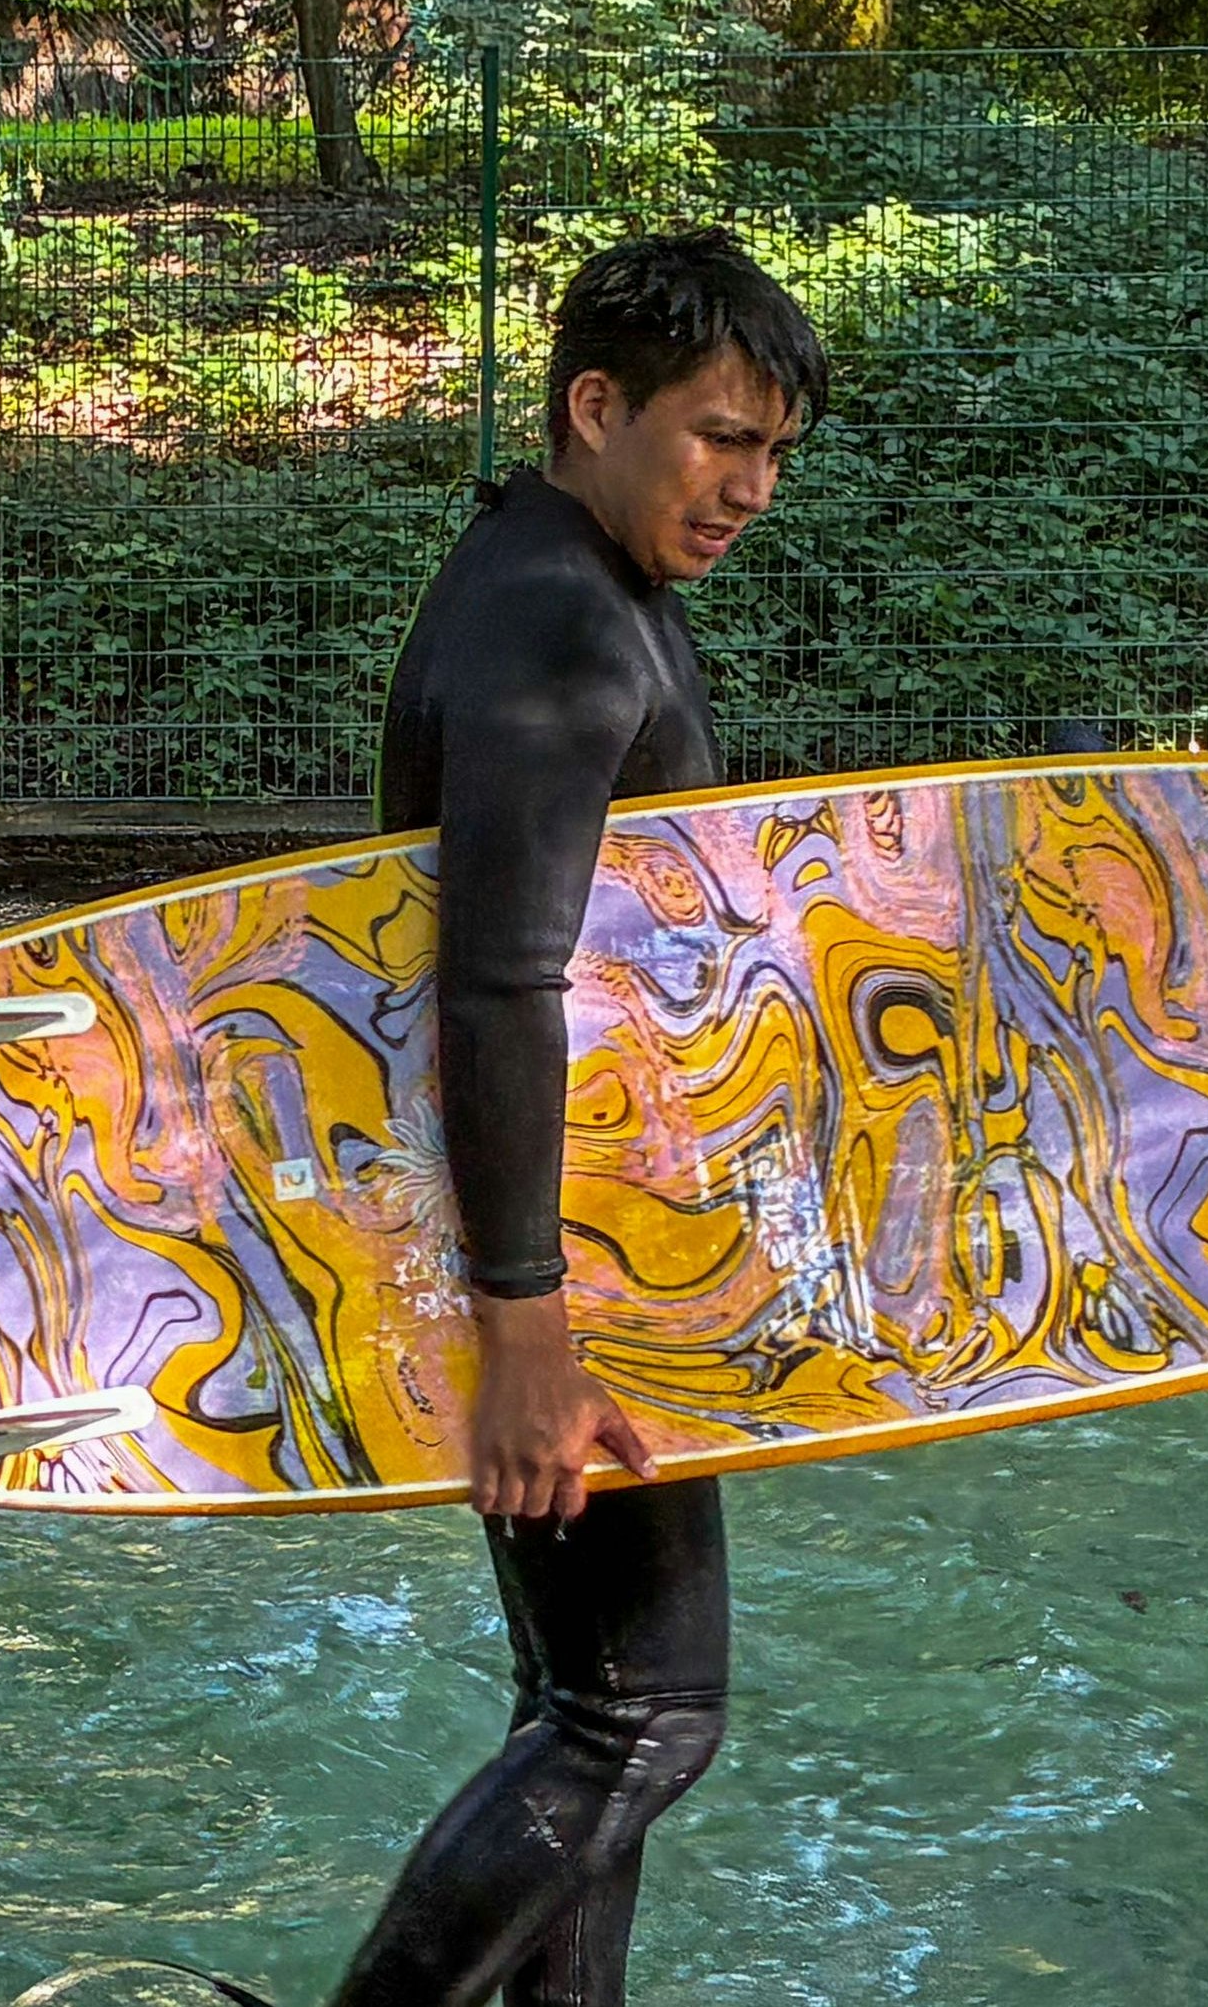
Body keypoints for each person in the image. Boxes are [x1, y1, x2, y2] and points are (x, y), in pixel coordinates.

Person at [329, 230, 827, 2007]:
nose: (750, 486)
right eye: (717, 439)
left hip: (600, 1238)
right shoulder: (553, 611)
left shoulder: (569, 573)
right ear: (594, 406)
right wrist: (524, 1329)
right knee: (643, 1715)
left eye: (774, 452)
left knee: (594, 1706)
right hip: (559, 1262)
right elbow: (496, 977)